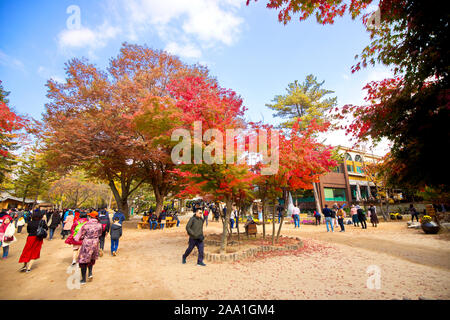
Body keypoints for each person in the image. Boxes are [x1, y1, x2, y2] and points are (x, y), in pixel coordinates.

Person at [74, 211, 102, 284]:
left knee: (83, 260)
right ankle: (90, 273)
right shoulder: (99, 225)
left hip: (87, 243)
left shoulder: (86, 225)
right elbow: (100, 234)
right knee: (92, 259)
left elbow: (80, 235)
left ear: (90, 217)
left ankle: (83, 279)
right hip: (95, 243)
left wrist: (78, 238)